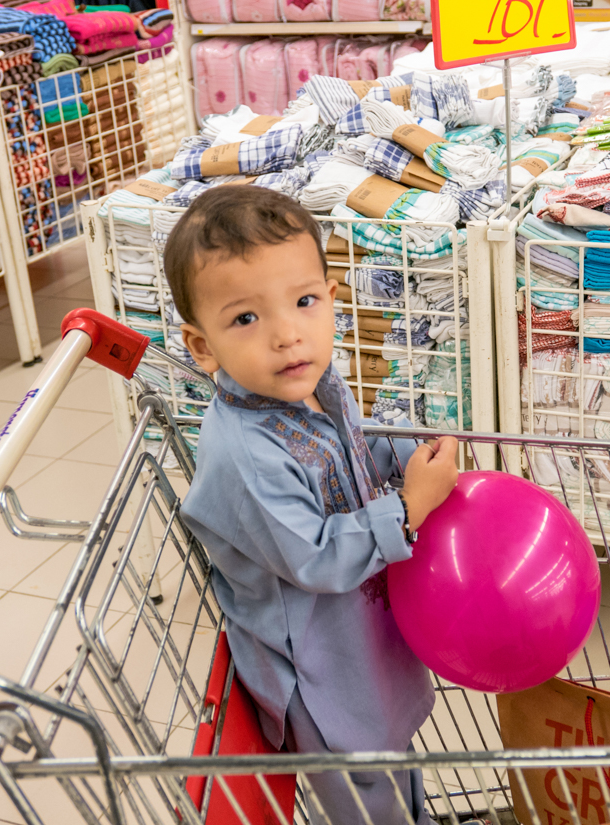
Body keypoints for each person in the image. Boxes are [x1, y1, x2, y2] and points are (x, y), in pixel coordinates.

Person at [163, 185, 459, 825]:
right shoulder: (245, 457)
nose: (286, 335)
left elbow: (353, 451)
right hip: (319, 666)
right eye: (246, 318)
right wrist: (407, 510)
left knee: (394, 752)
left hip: (361, 628)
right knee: (364, 789)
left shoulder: (318, 383)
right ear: (202, 346)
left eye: (302, 302)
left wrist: (401, 453)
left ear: (330, 299)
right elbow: (316, 556)